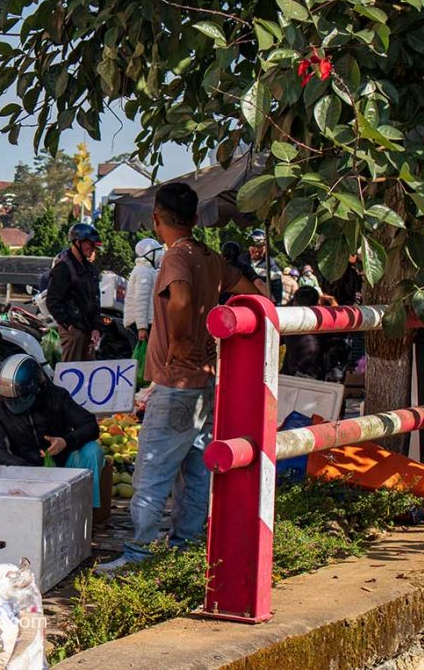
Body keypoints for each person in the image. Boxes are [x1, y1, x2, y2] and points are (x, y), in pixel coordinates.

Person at [95, 182, 258, 573]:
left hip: (176, 381)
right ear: (195, 218)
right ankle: (186, 548)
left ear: (156, 217)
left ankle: (139, 556)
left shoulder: (175, 258)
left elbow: (181, 300)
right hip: (205, 380)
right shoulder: (210, 256)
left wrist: (184, 339)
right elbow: (253, 292)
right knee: (196, 473)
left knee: (152, 473)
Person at [0, 354, 105, 506]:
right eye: (8, 398)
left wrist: (65, 442)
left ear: (37, 388)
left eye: (19, 398)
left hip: (63, 466)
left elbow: (90, 425)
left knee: (92, 450)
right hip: (23, 474)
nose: (13, 403)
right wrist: (30, 470)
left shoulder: (57, 397)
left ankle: (85, 509)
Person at [46, 223, 102, 362]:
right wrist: (69, 325)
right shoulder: (63, 267)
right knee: (70, 374)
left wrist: (96, 327)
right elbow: (53, 301)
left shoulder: (90, 269)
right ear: (78, 242)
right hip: (74, 331)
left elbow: (95, 299)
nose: (93, 248)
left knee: (89, 374)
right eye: (90, 244)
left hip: (89, 330)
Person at [123, 237, 164, 342]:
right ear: (150, 254)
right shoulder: (143, 271)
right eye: (158, 252)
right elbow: (140, 301)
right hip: (141, 324)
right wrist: (142, 328)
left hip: (144, 323)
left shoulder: (147, 270)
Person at [239, 229, 283, 304]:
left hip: (261, 304)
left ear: (266, 247)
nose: (256, 249)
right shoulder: (241, 260)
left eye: (260, 246)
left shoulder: (271, 266)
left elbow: (277, 295)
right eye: (253, 245)